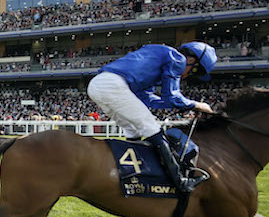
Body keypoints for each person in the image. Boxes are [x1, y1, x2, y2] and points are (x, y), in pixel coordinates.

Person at [87, 41, 218, 193]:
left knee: (133, 132)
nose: (187, 76)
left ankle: (129, 174)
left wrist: (182, 105)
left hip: (98, 85)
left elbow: (147, 99)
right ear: (190, 60)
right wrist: (196, 105)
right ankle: (181, 182)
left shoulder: (156, 59)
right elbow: (172, 96)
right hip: (113, 86)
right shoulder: (178, 58)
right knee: (152, 129)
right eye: (192, 72)